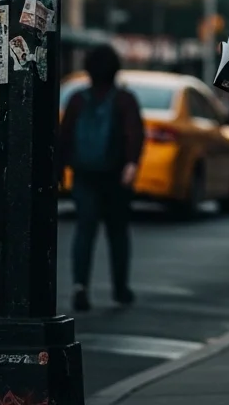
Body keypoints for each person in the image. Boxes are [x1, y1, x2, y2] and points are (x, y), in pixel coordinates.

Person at [59, 44, 144, 311]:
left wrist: (62, 170)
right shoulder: (124, 99)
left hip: (84, 174)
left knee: (85, 231)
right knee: (117, 234)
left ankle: (80, 286)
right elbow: (134, 134)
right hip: (115, 176)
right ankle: (120, 289)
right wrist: (130, 165)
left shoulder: (76, 99)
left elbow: (64, 137)